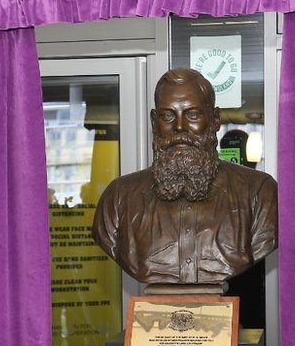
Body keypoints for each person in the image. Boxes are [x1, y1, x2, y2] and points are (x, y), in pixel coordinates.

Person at [92, 68, 277, 284]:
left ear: (215, 119)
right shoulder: (119, 198)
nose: (179, 127)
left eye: (192, 114)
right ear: (154, 121)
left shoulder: (259, 193)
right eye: (168, 115)